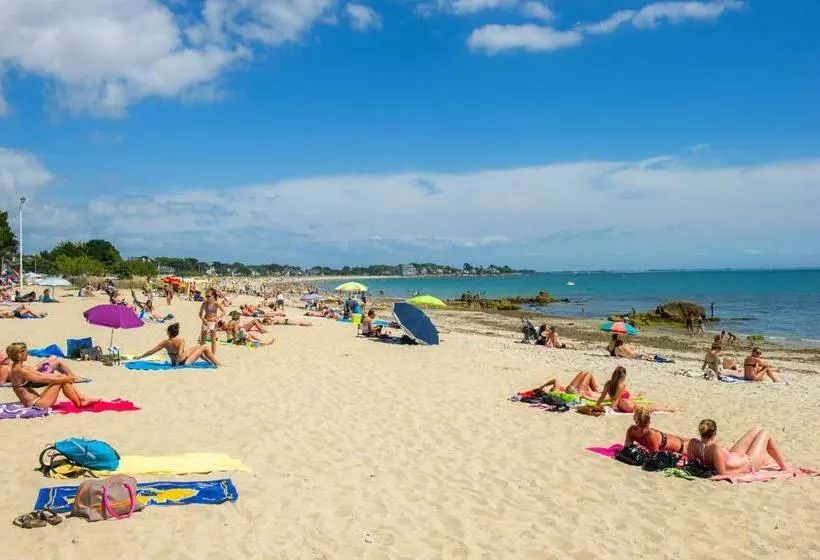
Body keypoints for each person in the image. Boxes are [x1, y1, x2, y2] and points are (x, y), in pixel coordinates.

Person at [6, 342, 98, 408]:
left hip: (37, 400)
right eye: (26, 352)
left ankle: (81, 399)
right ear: (20, 354)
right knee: (62, 378)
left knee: (61, 378)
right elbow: (43, 380)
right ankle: (80, 401)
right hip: (37, 404)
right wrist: (66, 378)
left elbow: (41, 375)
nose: (27, 354)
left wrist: (63, 377)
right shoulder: (20, 371)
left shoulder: (20, 367)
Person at [691, 419, 788, 475]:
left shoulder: (693, 443)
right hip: (748, 463)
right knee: (765, 433)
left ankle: (783, 466)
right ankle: (784, 467)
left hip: (734, 455)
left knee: (756, 429)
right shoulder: (715, 447)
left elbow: (697, 461)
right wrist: (743, 470)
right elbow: (723, 472)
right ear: (714, 433)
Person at [595, 366, 678, 413]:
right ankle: (670, 408)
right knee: (653, 408)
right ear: (623, 376)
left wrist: (597, 405)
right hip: (627, 405)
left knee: (651, 406)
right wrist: (607, 409)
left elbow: (602, 397)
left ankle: (667, 407)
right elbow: (615, 402)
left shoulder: (608, 383)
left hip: (624, 404)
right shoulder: (621, 385)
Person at [136, 322, 222, 366]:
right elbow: (180, 354)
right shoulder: (181, 341)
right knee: (205, 346)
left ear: (169, 332)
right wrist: (177, 366)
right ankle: (218, 364)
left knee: (198, 346)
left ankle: (208, 361)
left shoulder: (165, 342)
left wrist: (141, 356)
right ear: (177, 332)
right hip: (183, 362)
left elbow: (152, 351)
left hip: (176, 362)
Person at [199, 289, 226, 355]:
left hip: (213, 322)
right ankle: (201, 353)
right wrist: (203, 320)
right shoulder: (204, 304)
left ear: (213, 296)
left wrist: (218, 318)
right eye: (206, 296)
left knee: (213, 340)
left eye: (209, 296)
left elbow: (224, 312)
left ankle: (213, 354)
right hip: (206, 321)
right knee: (203, 339)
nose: (207, 297)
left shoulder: (216, 303)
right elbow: (200, 314)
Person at [536, 372, 600, 399]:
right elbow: (555, 380)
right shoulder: (555, 392)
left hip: (571, 389)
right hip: (577, 392)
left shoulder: (553, 392)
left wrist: (543, 387)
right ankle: (596, 391)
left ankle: (596, 391)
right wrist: (543, 386)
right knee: (588, 374)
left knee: (582, 373)